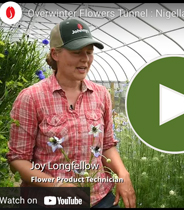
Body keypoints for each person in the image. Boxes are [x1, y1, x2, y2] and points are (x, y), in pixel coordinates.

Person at [6, 18, 136, 208]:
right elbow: (18, 160)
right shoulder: (31, 98)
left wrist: (123, 175)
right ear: (55, 54)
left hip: (99, 198)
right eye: (77, 52)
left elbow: (107, 145)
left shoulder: (100, 95)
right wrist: (57, 185)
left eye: (89, 52)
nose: (85, 59)